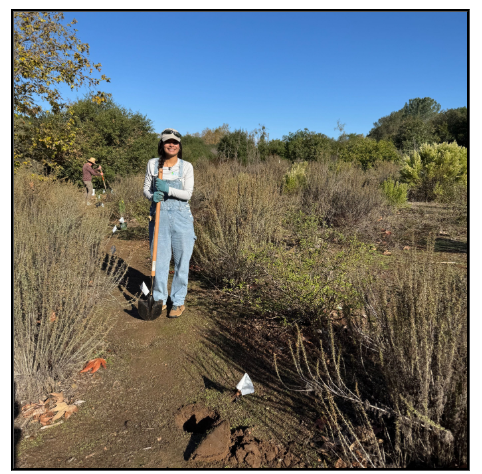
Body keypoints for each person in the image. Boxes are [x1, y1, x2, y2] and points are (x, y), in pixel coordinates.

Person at [143, 128, 195, 318]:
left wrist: (169, 190)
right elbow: (146, 190)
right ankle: (160, 299)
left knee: (182, 261)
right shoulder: (152, 164)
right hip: (159, 216)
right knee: (160, 260)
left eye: (175, 142)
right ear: (162, 144)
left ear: (179, 145)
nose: (171, 144)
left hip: (182, 217)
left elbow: (188, 194)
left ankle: (178, 301)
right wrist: (152, 196)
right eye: (167, 141)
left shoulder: (187, 167)